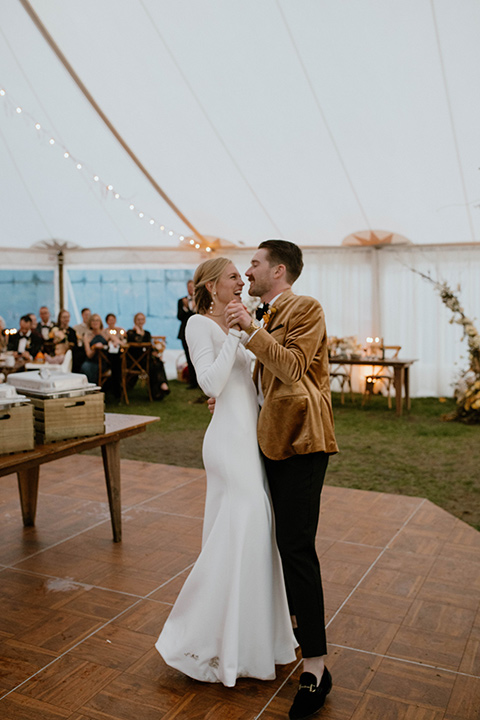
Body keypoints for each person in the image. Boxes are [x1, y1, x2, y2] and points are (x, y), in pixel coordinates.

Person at [156, 257, 297, 686]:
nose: (242, 281)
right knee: (244, 526)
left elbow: (245, 386)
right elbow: (208, 385)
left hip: (247, 440)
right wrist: (237, 336)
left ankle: (248, 640)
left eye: (242, 275)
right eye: (234, 276)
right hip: (226, 446)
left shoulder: (241, 322)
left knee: (250, 535)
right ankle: (199, 635)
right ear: (213, 286)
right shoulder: (199, 325)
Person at [224, 240, 338, 720]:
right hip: (268, 443)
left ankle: (316, 665)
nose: (247, 270)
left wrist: (250, 327)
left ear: (280, 270)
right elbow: (267, 382)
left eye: (254, 263)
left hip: (302, 444)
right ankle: (283, 635)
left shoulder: (305, 307)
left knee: (296, 548)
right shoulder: (265, 314)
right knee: (273, 545)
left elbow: (291, 369)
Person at [126, 313, 169, 400]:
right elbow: (138, 343)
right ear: (135, 321)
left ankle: (160, 388)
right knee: (154, 365)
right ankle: (160, 388)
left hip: (146, 359)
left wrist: (156, 354)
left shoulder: (147, 333)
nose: (140, 321)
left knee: (157, 362)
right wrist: (137, 332)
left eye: (142, 319)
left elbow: (149, 348)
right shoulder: (130, 333)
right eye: (138, 319)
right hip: (134, 361)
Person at [177, 279, 197, 388]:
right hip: (184, 332)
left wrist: (194, 308)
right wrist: (186, 308)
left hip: (197, 332)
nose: (191, 289)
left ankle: (201, 382)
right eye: (189, 287)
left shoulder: (200, 301)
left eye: (192, 287)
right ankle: (192, 381)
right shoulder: (181, 301)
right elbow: (180, 317)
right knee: (189, 357)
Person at [80, 313, 109, 384]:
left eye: (97, 320)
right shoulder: (87, 336)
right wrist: (94, 347)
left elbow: (118, 341)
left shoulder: (106, 334)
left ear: (100, 323)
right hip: (92, 361)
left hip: (105, 361)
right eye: (93, 321)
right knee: (86, 367)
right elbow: (89, 355)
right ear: (90, 323)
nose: (95, 322)